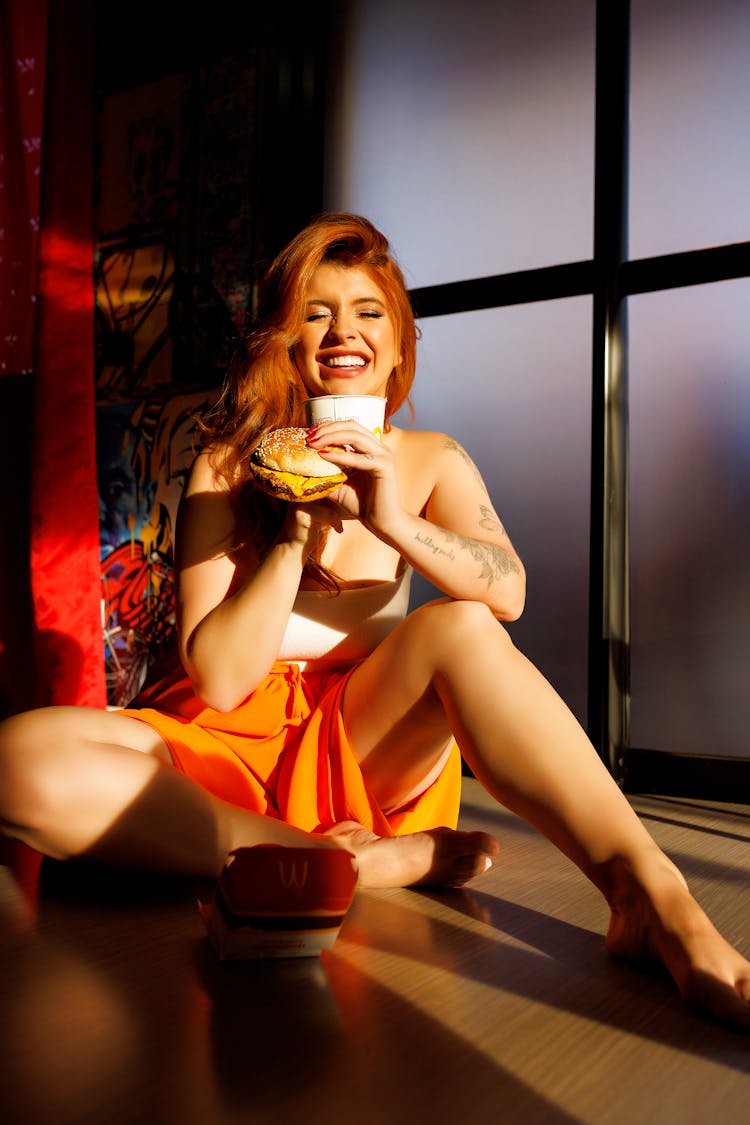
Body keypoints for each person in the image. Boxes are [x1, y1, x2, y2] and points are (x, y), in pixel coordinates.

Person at [1, 212, 748, 1029]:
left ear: (398, 347)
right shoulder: (224, 463)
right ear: (284, 342)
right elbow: (216, 678)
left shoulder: (433, 459)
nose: (341, 331)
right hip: (222, 758)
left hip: (360, 741)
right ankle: (337, 861)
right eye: (314, 313)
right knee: (18, 759)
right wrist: (291, 536)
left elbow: (508, 593)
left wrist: (393, 520)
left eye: (368, 311)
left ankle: (650, 896)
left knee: (461, 627)